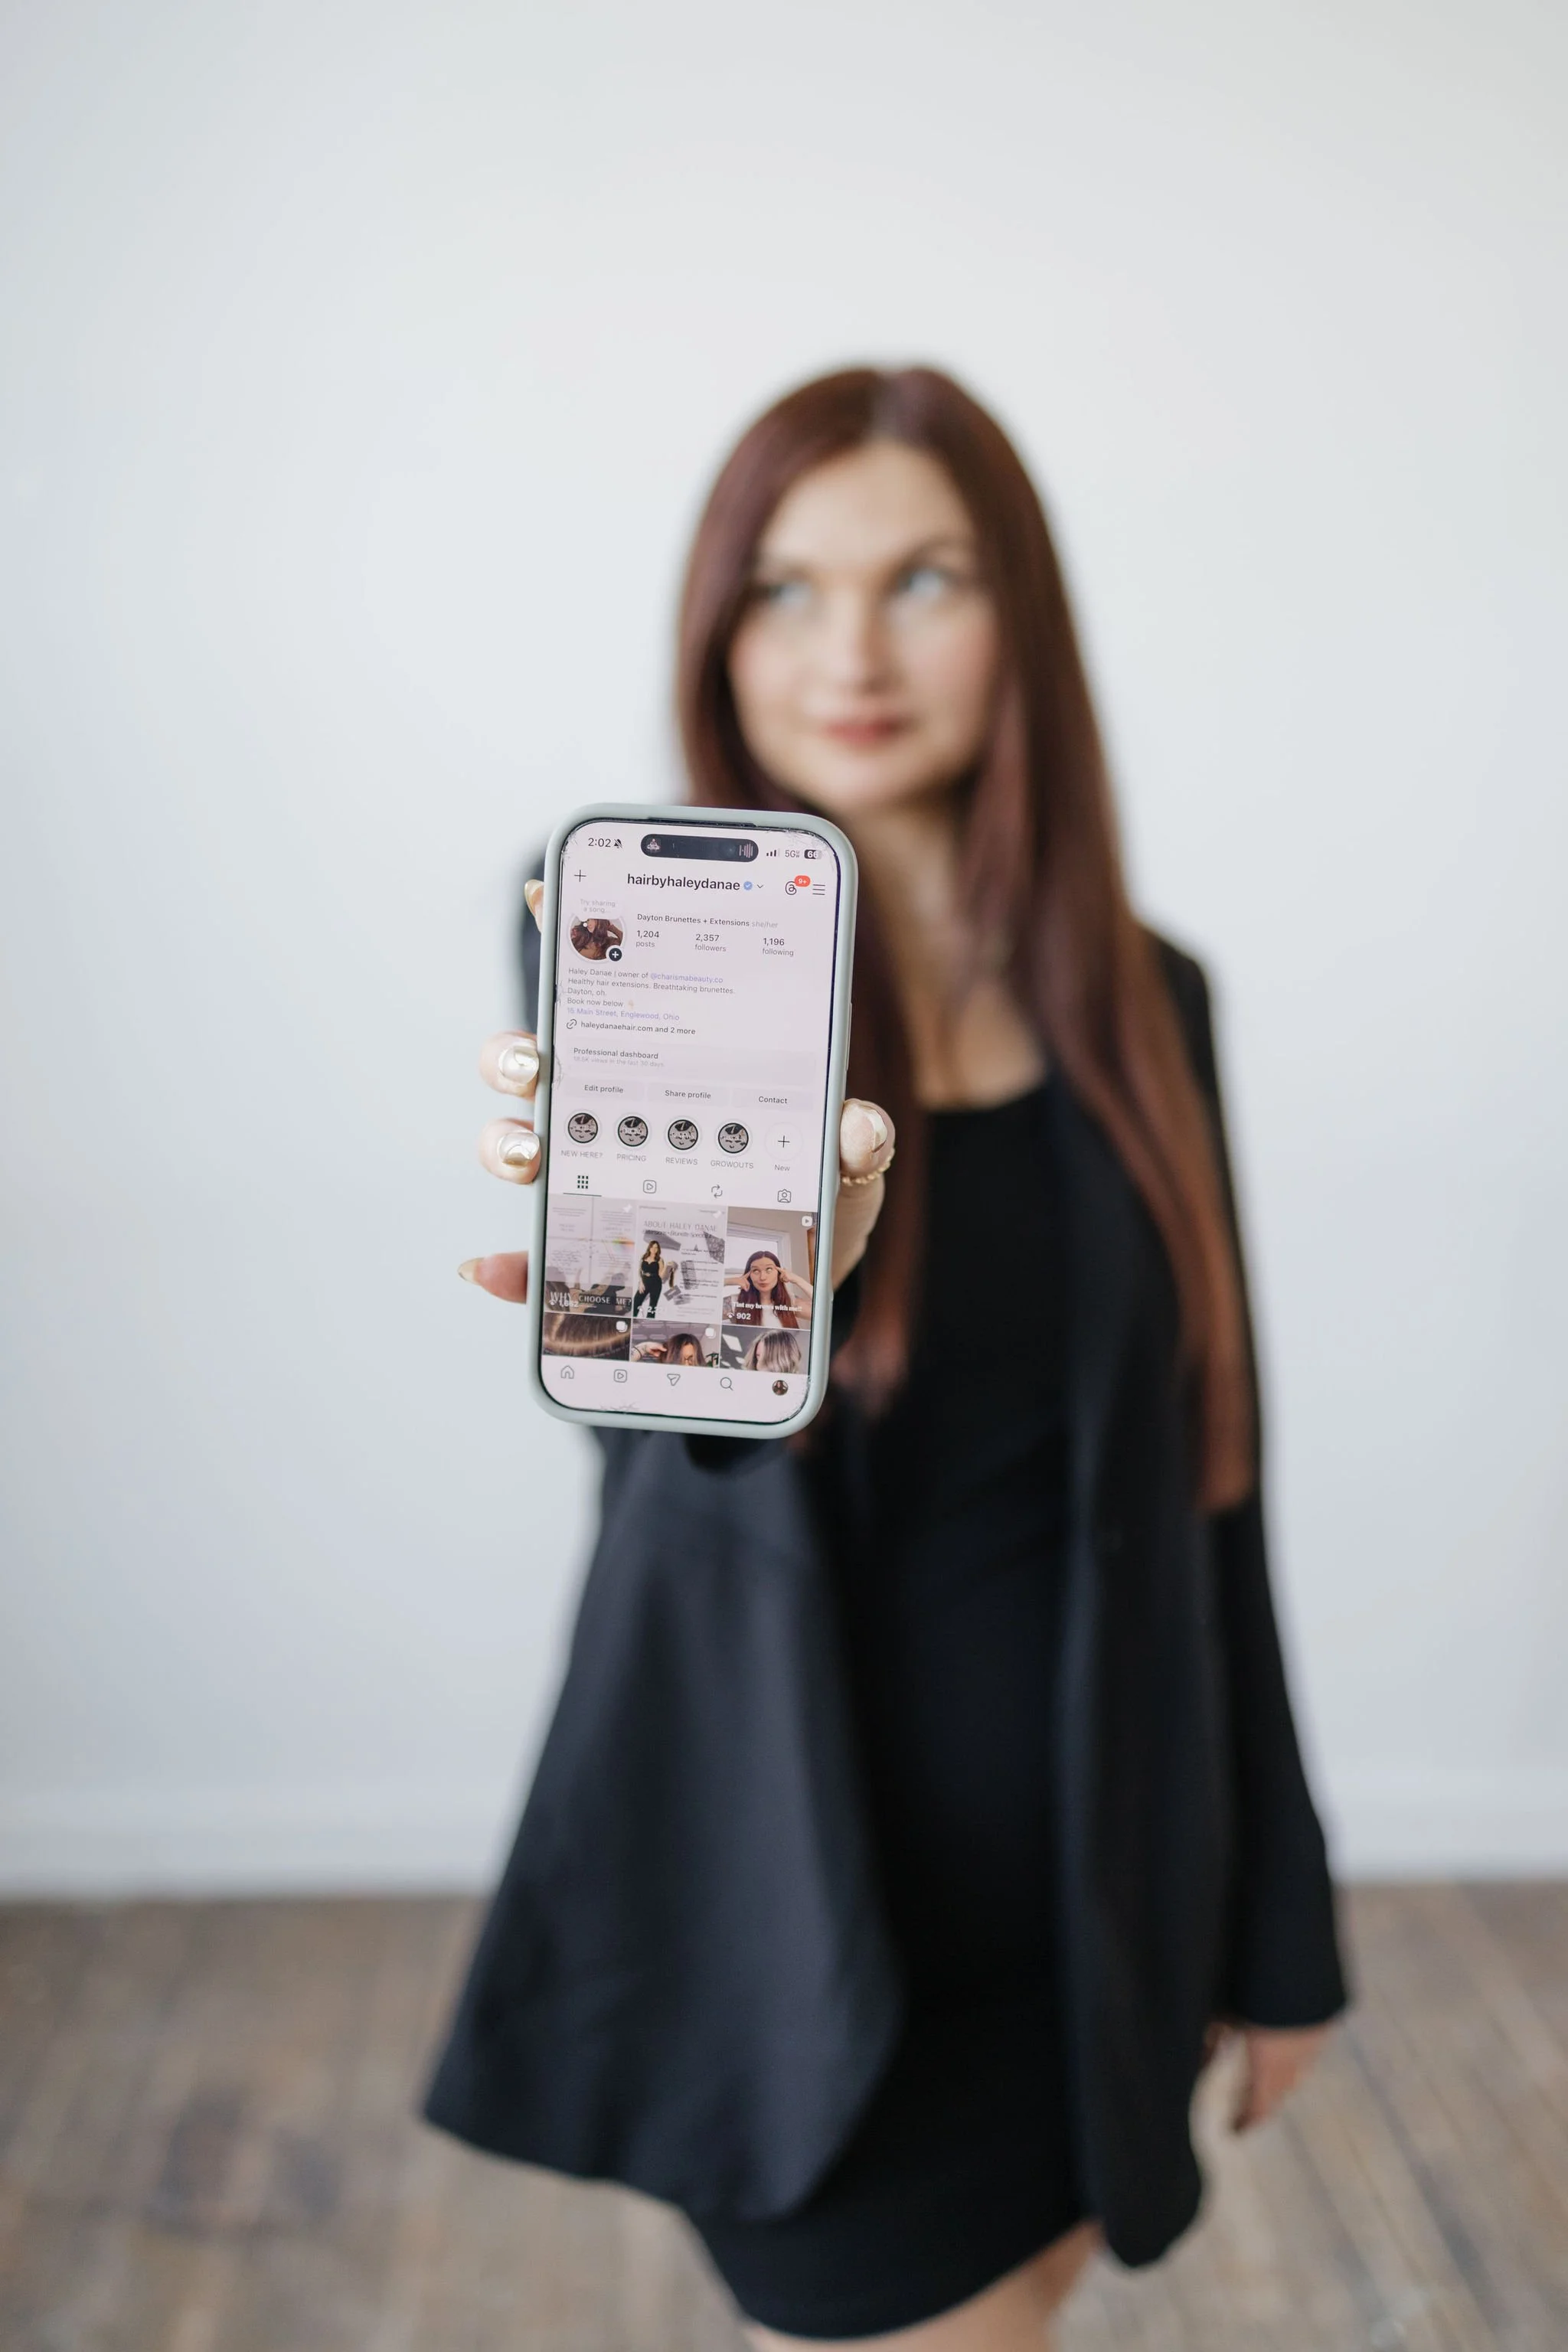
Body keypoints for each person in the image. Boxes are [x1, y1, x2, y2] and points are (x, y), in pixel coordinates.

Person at [428, 366, 1349, 2350]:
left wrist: (1282, 1925)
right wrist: (792, 1302)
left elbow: (1216, 1475)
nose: (848, 651)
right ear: (717, 629)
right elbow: (672, 1460)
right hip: (806, 1920)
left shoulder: (1149, 1001)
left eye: (923, 579)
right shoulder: (650, 956)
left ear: (1022, 617)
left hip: (1103, 1916)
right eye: (785, 589)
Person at [728, 1246, 810, 1328]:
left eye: (769, 1269)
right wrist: (728, 1281)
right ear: (749, 1275)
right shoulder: (735, 1302)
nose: (762, 1277)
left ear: (779, 1273)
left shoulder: (791, 1302)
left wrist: (798, 1280)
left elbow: (818, 1312)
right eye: (756, 1271)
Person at [631, 1238, 665, 1320]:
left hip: (656, 1283)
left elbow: (661, 1275)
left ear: (658, 1249)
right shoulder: (644, 1257)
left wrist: (667, 1268)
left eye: (656, 1247)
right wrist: (641, 1283)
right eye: (652, 1247)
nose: (654, 1249)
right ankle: (633, 1319)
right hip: (644, 1282)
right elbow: (640, 1271)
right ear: (649, 1248)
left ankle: (649, 1320)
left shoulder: (660, 1260)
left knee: (652, 1306)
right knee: (636, 1301)